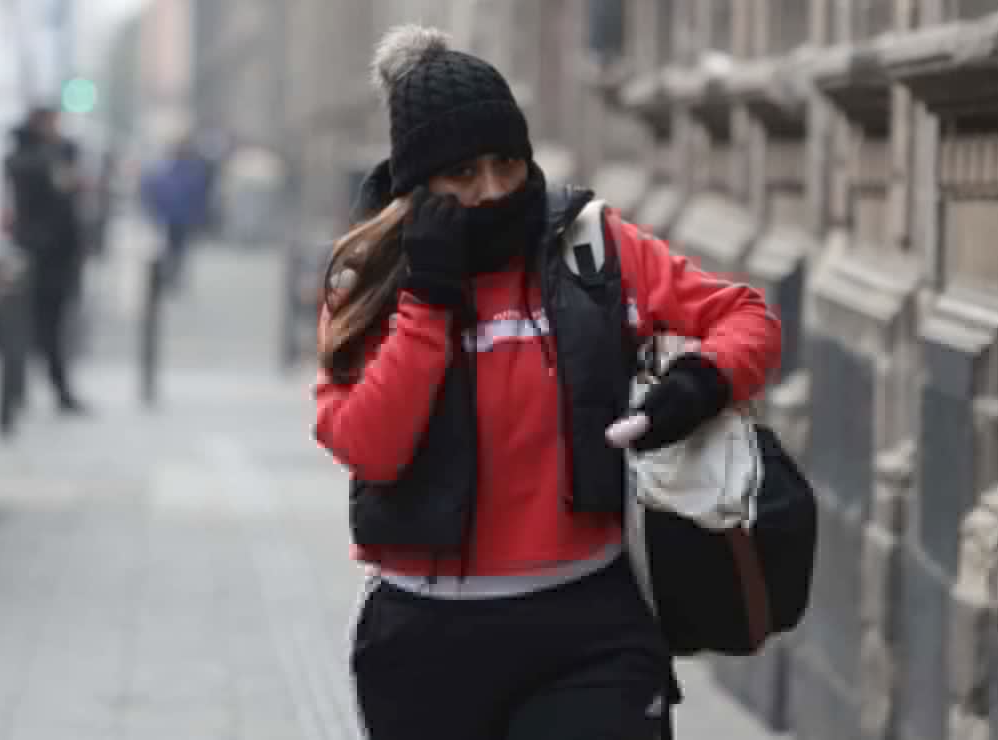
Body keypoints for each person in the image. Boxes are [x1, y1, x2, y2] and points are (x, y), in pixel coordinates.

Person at [313, 25, 782, 740]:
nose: (494, 189)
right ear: (418, 185)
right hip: (425, 645)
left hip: (588, 630)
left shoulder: (590, 251)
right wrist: (431, 302)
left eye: (506, 162)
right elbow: (370, 448)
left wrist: (695, 386)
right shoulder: (370, 282)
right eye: (462, 174)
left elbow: (746, 319)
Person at [2, 105, 89, 417]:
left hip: (55, 254)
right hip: (40, 254)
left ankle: (35, 390)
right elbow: (55, 188)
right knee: (36, 325)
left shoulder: (51, 154)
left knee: (47, 326)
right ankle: (32, 391)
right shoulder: (30, 159)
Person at [139, 136, 209, 291]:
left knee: (177, 249)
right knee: (172, 248)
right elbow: (155, 190)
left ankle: (173, 276)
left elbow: (198, 196)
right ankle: (170, 276)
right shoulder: (173, 169)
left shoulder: (191, 170)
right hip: (172, 217)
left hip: (181, 217)